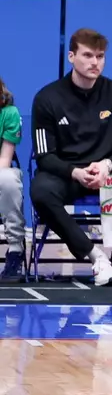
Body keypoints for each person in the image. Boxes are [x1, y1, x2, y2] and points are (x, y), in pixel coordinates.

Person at [29, 27, 112, 287]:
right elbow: (45, 157)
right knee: (41, 190)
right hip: (69, 174)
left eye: (100, 56)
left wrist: (107, 165)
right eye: (88, 55)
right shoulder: (46, 98)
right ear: (71, 56)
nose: (94, 63)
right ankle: (96, 257)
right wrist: (75, 172)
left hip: (110, 172)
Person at [0, 76, 21, 279]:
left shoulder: (9, 113)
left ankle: (15, 248)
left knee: (7, 179)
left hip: (0, 170)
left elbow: (4, 160)